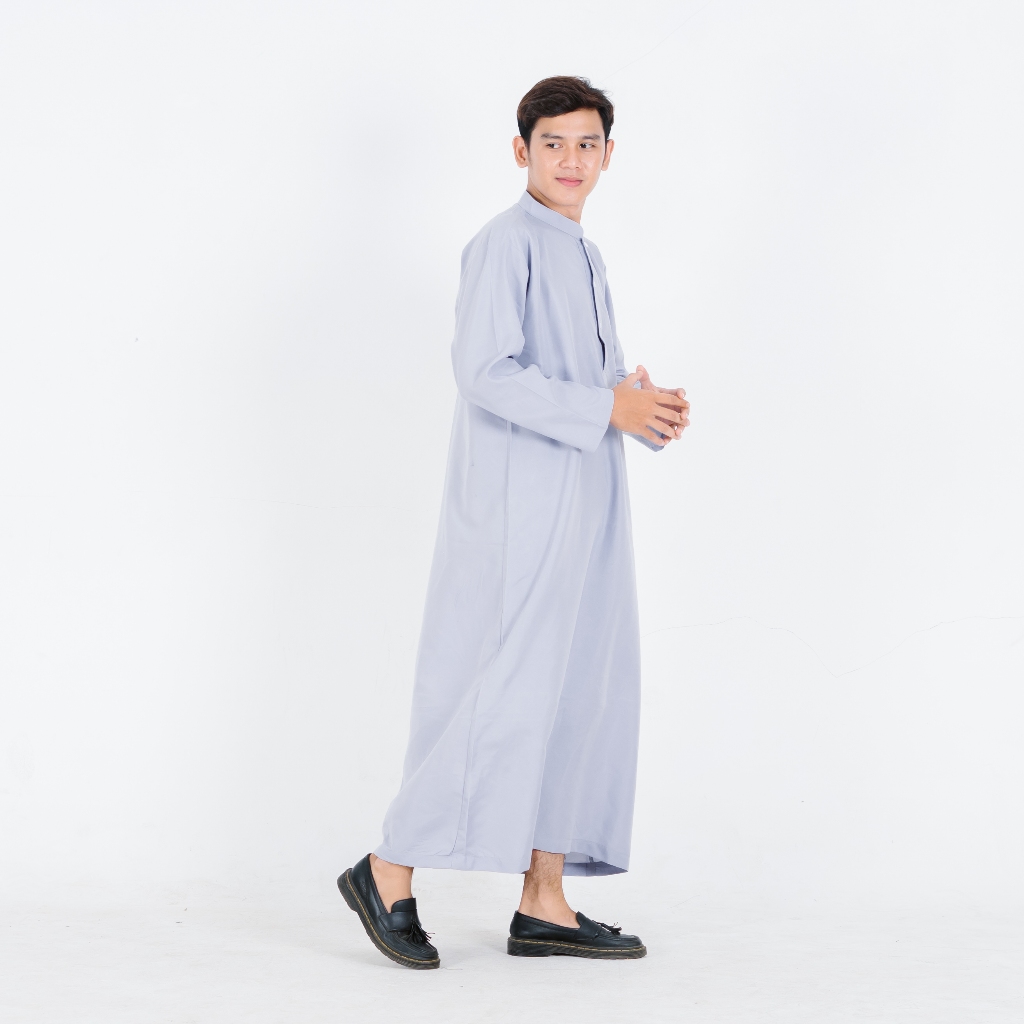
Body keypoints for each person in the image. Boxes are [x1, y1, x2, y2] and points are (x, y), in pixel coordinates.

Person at [338, 75, 690, 969]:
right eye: (553, 144)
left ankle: (544, 899)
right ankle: (387, 868)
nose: (570, 160)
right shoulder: (505, 243)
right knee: (499, 692)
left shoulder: (584, 252)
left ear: (609, 154)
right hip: (520, 509)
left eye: (586, 144)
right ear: (521, 151)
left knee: (579, 690)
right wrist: (603, 407)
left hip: (586, 500)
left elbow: (579, 376)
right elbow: (484, 371)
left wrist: (636, 405)